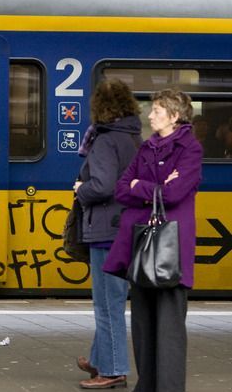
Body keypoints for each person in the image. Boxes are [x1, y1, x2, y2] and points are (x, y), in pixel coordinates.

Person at [104, 88, 203, 392]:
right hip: (143, 245)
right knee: (143, 325)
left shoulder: (190, 149)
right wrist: (154, 187)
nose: (149, 115)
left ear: (174, 116)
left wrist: (141, 186)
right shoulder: (147, 148)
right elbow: (121, 189)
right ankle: (146, 386)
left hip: (170, 248)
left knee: (169, 327)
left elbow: (175, 194)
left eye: (157, 110)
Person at [72, 79, 141, 389]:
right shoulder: (133, 137)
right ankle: (100, 358)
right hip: (125, 226)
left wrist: (80, 189)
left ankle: (113, 369)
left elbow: (103, 186)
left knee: (106, 303)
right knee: (111, 299)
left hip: (106, 229)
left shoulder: (105, 140)